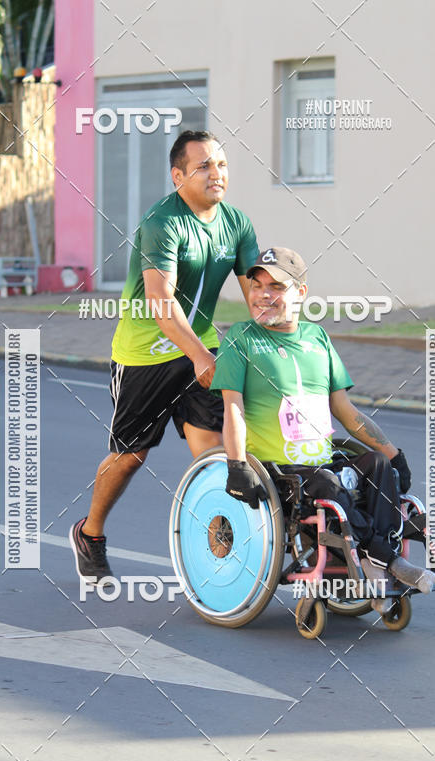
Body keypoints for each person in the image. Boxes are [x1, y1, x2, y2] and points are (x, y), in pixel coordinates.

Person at [70, 131, 259, 582]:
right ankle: (90, 533)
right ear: (178, 176)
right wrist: (198, 355)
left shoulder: (237, 224)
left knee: (214, 450)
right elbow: (160, 302)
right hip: (145, 354)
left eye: (223, 165)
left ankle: (220, 550)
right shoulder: (163, 221)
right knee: (130, 455)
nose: (217, 174)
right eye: (204, 167)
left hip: (201, 348)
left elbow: (257, 292)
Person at [210, 247, 435, 609]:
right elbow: (232, 408)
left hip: (323, 459)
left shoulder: (317, 339)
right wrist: (236, 465)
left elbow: (345, 411)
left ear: (300, 292)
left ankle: (374, 564)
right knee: (328, 485)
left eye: (276, 286)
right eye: (256, 285)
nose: (263, 295)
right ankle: (388, 561)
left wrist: (394, 454)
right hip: (282, 472)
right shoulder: (241, 339)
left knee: (377, 467)